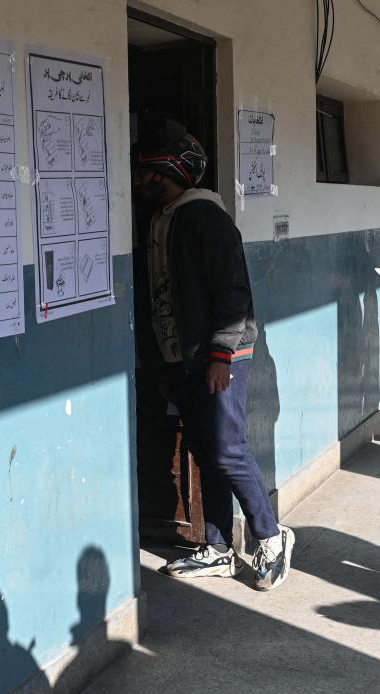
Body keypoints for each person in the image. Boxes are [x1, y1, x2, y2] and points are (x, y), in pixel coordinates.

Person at [133, 114, 295, 591]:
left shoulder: (205, 216)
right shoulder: (164, 219)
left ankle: (270, 535)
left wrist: (221, 355)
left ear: (163, 173)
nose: (139, 180)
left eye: (145, 172)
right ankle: (220, 548)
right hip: (182, 357)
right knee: (205, 450)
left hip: (222, 354)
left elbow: (233, 291)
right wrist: (163, 363)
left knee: (226, 448)